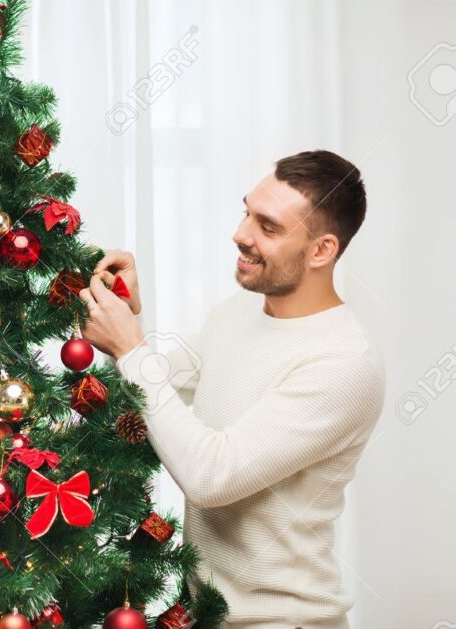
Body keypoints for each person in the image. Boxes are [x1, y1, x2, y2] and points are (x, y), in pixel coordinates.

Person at [80, 150, 385, 628]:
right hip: (203, 616)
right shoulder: (239, 312)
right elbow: (158, 381)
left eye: (268, 227)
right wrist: (126, 312)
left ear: (322, 250)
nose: (240, 234)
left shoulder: (343, 363)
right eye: (247, 211)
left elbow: (211, 476)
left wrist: (130, 347)